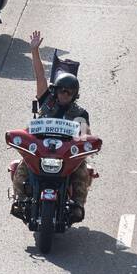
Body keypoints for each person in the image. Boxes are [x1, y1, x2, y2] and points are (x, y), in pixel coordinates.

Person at [10, 30, 94, 222]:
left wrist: (86, 140)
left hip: (65, 155)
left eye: (69, 92)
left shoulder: (79, 113)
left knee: (82, 170)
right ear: (55, 91)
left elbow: (85, 134)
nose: (64, 95)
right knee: (22, 167)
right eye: (61, 91)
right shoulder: (47, 101)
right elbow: (40, 76)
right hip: (41, 150)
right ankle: (20, 200)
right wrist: (34, 51)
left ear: (74, 95)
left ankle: (78, 205)